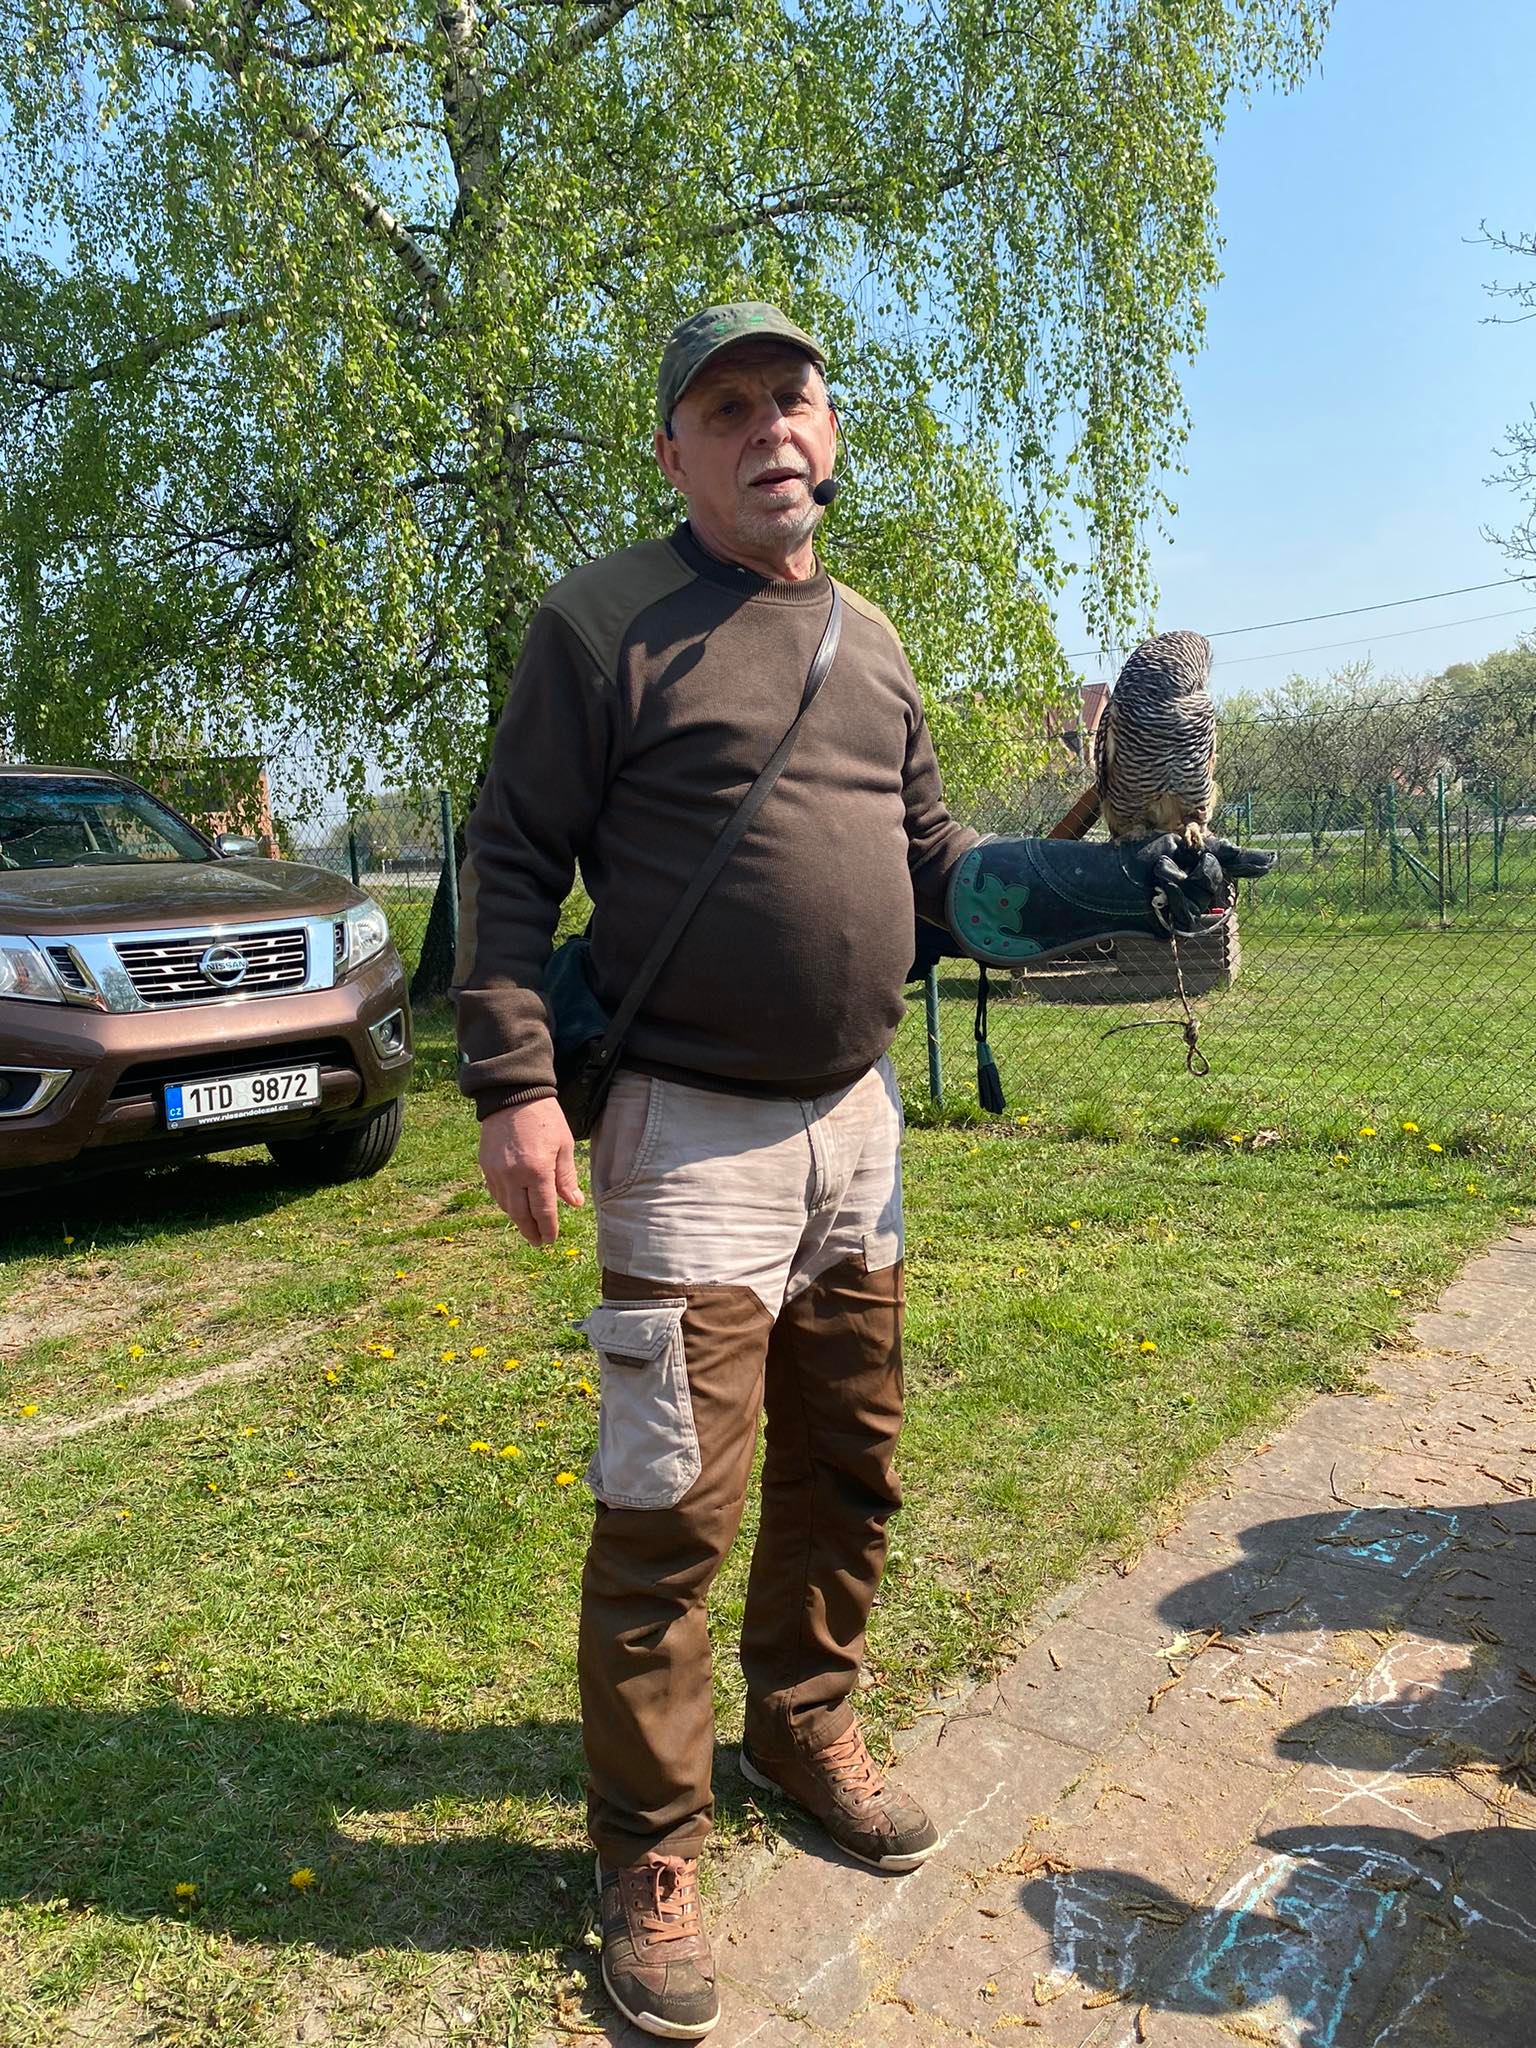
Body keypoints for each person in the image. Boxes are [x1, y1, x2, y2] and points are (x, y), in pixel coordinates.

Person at [452, 301, 1249, 2040]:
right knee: (670, 1504)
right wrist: (514, 1086)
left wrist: (1122, 891)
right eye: (727, 407)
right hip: (686, 1135)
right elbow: (506, 860)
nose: (769, 428)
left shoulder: (869, 640)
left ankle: (802, 1724)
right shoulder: (601, 623)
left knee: (849, 1458)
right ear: (674, 451)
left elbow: (941, 866)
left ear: (829, 431)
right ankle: (649, 1851)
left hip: (858, 1125)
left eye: (792, 398)